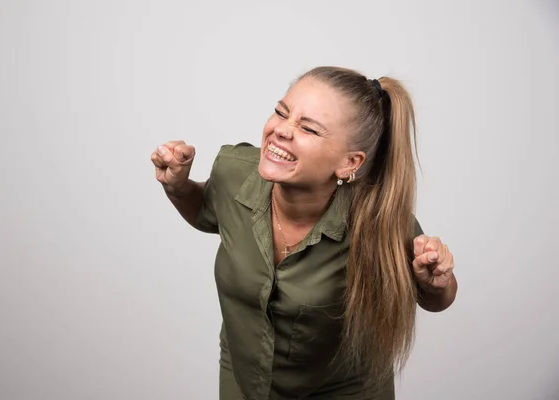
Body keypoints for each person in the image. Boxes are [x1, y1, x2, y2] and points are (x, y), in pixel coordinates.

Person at [151, 66, 458, 399]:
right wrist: (178, 187)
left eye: (308, 129)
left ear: (350, 163)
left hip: (343, 391)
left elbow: (434, 298)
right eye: (282, 113)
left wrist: (436, 282)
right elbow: (209, 212)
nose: (282, 130)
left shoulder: (379, 220)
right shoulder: (233, 171)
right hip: (245, 382)